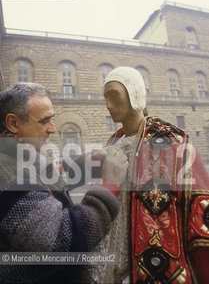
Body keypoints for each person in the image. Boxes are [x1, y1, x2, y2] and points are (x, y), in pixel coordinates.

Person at [87, 67, 209, 284]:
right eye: (105, 98)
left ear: (134, 94)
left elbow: (200, 213)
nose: (107, 105)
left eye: (114, 96)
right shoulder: (114, 142)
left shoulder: (174, 142)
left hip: (163, 266)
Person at [0, 82, 128, 284]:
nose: (52, 128)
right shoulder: (6, 174)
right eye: (44, 121)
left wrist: (92, 160)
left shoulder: (18, 155)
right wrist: (109, 184)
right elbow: (66, 236)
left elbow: (52, 173)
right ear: (14, 124)